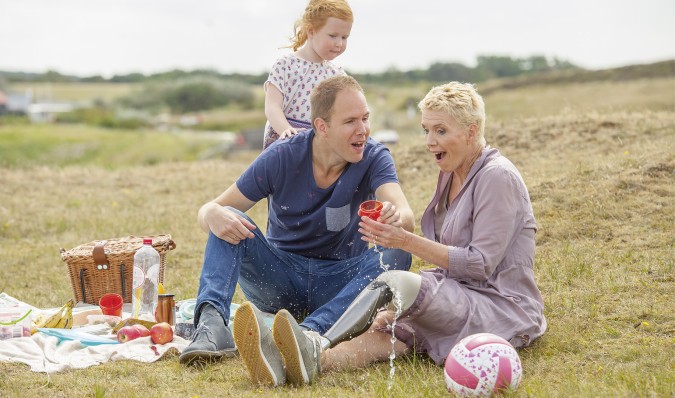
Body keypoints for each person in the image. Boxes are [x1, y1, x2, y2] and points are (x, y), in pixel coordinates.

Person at [234, 81, 548, 386]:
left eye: (441, 131)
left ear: (470, 132)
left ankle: (311, 340)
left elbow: (480, 264)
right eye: (426, 130)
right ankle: (302, 363)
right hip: (458, 295)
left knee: (394, 282)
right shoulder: (451, 175)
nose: (430, 141)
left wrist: (404, 241)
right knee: (384, 332)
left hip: (497, 304)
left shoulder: (497, 177)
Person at [179, 75, 415, 382]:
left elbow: (406, 215)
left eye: (365, 118)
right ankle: (211, 327)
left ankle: (306, 336)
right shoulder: (283, 155)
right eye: (350, 121)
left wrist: (395, 215)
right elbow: (213, 210)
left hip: (340, 284)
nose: (363, 130)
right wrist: (210, 212)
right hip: (279, 278)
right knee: (231, 217)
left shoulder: (373, 156)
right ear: (322, 126)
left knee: (397, 250)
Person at [262, 0, 353, 149]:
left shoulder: (338, 75)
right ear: (311, 31)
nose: (339, 43)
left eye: (344, 37)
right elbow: (272, 106)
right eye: (333, 36)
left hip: (318, 147)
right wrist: (287, 130)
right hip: (284, 144)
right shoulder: (285, 65)